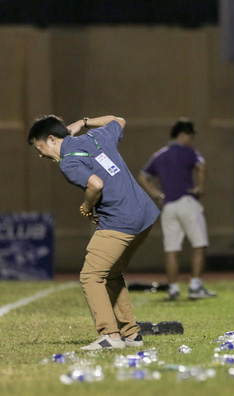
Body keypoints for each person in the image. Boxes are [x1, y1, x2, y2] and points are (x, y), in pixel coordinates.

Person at [27, 115, 159, 350]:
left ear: (51, 139)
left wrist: (87, 206)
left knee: (90, 276)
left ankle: (110, 336)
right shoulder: (96, 137)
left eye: (40, 148)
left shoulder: (68, 162)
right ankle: (131, 334)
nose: (40, 155)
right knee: (111, 274)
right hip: (145, 215)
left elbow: (95, 184)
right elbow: (119, 119)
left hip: (120, 221)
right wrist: (84, 122)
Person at [139, 119, 216, 300]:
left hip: (168, 206)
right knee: (199, 244)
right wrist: (201, 189)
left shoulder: (160, 155)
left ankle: (173, 288)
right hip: (187, 202)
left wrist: (157, 195)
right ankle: (195, 286)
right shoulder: (188, 152)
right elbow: (202, 167)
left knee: (171, 249)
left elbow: (143, 176)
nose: (191, 140)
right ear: (183, 134)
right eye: (190, 136)